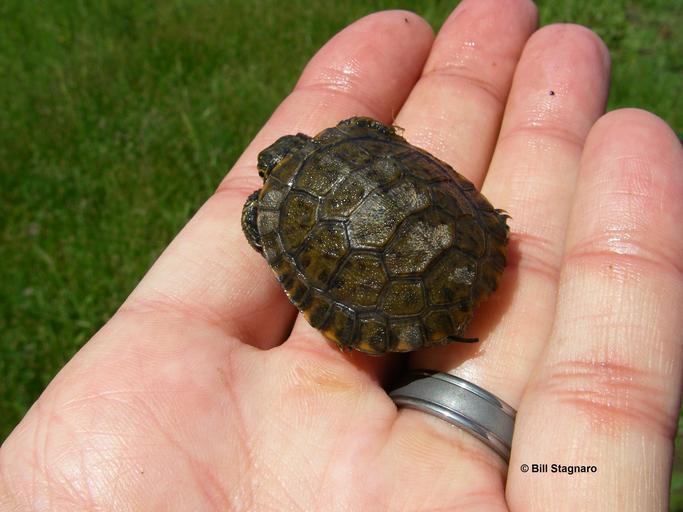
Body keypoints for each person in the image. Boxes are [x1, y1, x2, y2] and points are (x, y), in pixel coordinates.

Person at [2, 1, 682, 510]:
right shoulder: (345, 139)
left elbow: (278, 225)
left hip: (414, 248)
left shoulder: (268, 207)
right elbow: (375, 135)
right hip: (461, 237)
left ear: (271, 169)